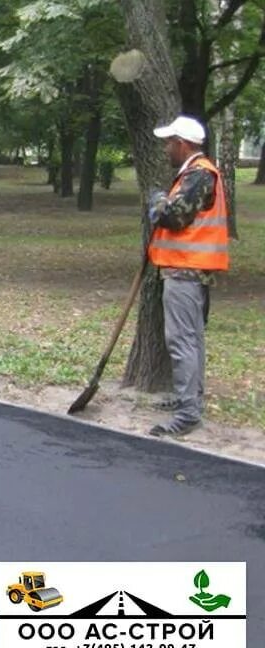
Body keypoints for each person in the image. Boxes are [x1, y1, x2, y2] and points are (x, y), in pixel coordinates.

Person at [145, 115, 230, 437]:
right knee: (191, 339)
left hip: (186, 270)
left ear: (182, 144)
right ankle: (189, 399)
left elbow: (173, 216)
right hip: (189, 268)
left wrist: (156, 200)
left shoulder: (198, 175)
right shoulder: (195, 174)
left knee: (182, 340)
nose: (166, 148)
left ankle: (188, 413)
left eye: (169, 142)